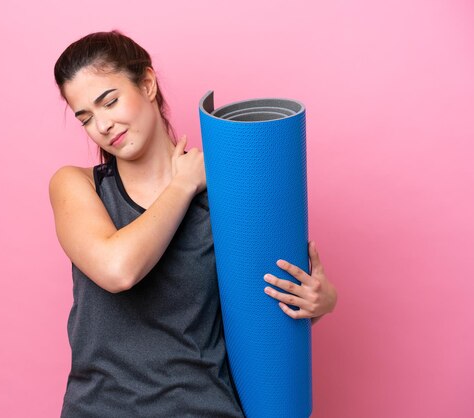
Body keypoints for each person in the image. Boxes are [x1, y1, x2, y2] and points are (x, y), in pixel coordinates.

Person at [49, 30, 338, 417]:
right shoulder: (77, 185)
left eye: (110, 101)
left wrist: (321, 302)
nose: (101, 125)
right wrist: (183, 184)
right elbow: (117, 269)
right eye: (86, 117)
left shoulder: (227, 197)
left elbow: (265, 310)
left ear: (147, 84)